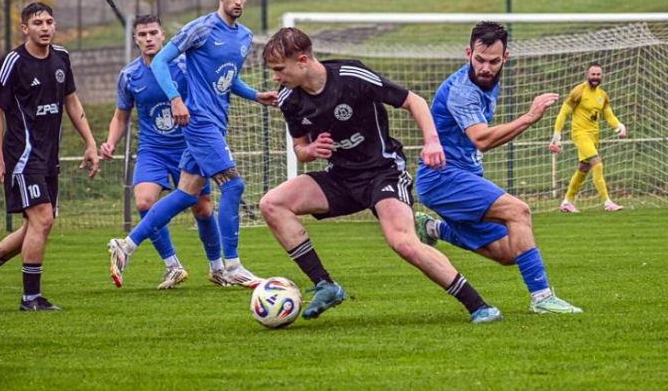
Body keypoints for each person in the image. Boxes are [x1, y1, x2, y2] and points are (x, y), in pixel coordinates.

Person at [258, 27, 502, 323]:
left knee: (403, 241)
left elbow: (414, 101)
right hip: (340, 178)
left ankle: (479, 306)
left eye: (279, 69)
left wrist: (432, 142)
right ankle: (326, 285)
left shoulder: (351, 76)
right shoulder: (289, 99)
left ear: (302, 60)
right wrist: (311, 150)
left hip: (382, 173)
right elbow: (300, 148)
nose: (275, 77)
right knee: (272, 203)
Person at [107, 0, 277, 288]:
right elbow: (160, 62)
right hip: (199, 122)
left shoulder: (243, 36)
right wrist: (175, 99)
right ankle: (232, 266)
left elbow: (226, 79)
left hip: (216, 121)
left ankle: (126, 245)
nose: (238, 1)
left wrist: (256, 95)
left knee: (188, 195)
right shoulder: (202, 28)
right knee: (234, 186)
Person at [414, 21, 583, 315]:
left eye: (493, 61)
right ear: (468, 53)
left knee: (508, 253)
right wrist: (529, 117)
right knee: (519, 212)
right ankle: (542, 298)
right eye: (479, 59)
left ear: (505, 58)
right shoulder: (462, 91)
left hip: (461, 176)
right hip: (442, 177)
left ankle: (432, 228)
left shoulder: (490, 80)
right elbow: (481, 140)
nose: (485, 68)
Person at [0, 2, 100, 311]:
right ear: (25, 28)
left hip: (49, 158)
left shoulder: (62, 57)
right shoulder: (13, 62)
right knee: (43, 219)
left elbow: (71, 101)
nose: (45, 27)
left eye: (49, 21)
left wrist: (90, 142)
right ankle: (30, 298)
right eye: (38, 23)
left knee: (34, 227)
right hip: (22, 158)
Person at [100, 14, 221, 290]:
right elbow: (121, 116)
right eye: (142, 35)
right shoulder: (129, 75)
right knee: (144, 202)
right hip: (152, 149)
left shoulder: (185, 67)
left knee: (203, 209)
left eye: (153, 33)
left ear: (163, 35)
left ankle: (217, 268)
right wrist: (110, 142)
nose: (148, 39)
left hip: (188, 147)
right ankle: (173, 266)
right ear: (135, 39)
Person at [549, 62, 627, 212]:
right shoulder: (578, 91)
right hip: (580, 134)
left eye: (598, 74)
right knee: (597, 163)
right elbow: (563, 113)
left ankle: (566, 202)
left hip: (594, 136)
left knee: (584, 168)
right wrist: (557, 134)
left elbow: (609, 116)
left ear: (602, 76)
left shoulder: (602, 95)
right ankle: (607, 202)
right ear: (587, 75)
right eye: (593, 74)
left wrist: (619, 126)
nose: (595, 77)